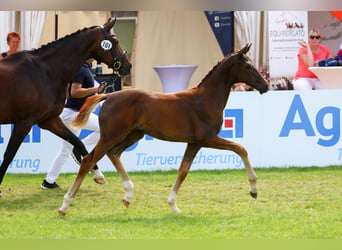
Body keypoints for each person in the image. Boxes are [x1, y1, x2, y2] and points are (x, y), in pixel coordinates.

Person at [41, 59, 107, 189]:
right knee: (65, 151)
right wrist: (96, 89)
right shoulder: (80, 68)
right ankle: (49, 182)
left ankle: (80, 146)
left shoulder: (86, 67)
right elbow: (74, 92)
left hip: (80, 113)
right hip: (72, 115)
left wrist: (99, 93)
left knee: (104, 128)